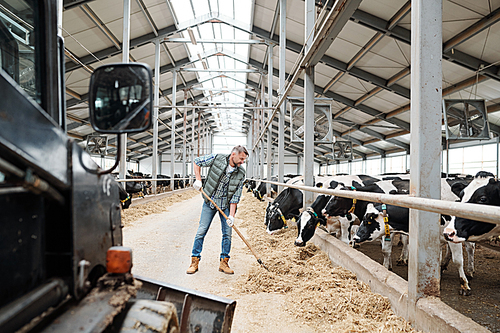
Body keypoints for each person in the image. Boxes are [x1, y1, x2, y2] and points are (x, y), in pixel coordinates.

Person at [187, 145, 249, 275]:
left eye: (244, 160)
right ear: (233, 154)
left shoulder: (241, 173)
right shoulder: (217, 158)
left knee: (227, 234)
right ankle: (194, 261)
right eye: (241, 158)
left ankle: (224, 262)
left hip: (225, 205)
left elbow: (235, 196)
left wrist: (231, 216)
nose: (242, 162)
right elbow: (197, 161)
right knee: (201, 231)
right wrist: (198, 179)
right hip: (210, 201)